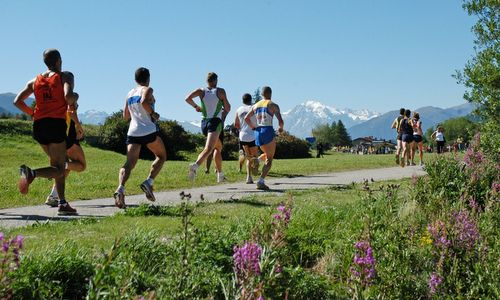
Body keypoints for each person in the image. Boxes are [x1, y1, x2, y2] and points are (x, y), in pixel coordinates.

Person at [13, 49, 79, 215]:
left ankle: (62, 202)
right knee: (60, 167)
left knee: (57, 166)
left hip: (39, 126)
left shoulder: (35, 81)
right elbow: (68, 97)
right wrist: (75, 96)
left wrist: (32, 113)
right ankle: (33, 174)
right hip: (55, 124)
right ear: (58, 61)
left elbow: (17, 101)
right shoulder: (65, 76)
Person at [113, 67, 167, 208]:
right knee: (161, 156)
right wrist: (153, 114)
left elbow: (125, 116)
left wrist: (136, 114)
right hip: (148, 130)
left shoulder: (129, 94)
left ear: (135, 79)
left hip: (133, 132)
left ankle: (120, 189)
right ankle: (148, 182)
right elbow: (144, 102)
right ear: (148, 78)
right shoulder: (147, 89)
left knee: (129, 163)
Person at [45, 71, 87, 207]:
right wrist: (79, 127)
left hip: (53, 135)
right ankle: (56, 168)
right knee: (81, 165)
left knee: (68, 166)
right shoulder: (70, 96)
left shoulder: (52, 94)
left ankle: (53, 196)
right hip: (67, 136)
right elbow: (71, 112)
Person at [186, 72, 231, 183]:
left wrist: (196, 106)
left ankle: (220, 175)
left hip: (204, 123)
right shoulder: (220, 91)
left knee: (218, 148)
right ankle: (195, 166)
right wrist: (223, 110)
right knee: (209, 148)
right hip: (215, 122)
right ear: (216, 80)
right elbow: (228, 108)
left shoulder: (201, 91)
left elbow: (187, 98)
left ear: (207, 81)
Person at [244, 86, 284, 190]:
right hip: (267, 130)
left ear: (262, 94)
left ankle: (257, 160)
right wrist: (280, 128)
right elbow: (280, 121)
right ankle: (261, 181)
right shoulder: (273, 105)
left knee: (267, 153)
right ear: (271, 93)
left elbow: (246, 118)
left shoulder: (255, 105)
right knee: (270, 159)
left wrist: (253, 127)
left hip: (258, 132)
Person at [234, 93, 260, 184]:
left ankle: (249, 177)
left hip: (243, 136)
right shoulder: (254, 108)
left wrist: (241, 128)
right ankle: (255, 169)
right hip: (252, 134)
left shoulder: (239, 110)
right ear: (251, 100)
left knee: (248, 157)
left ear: (242, 100)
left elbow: (236, 124)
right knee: (255, 157)